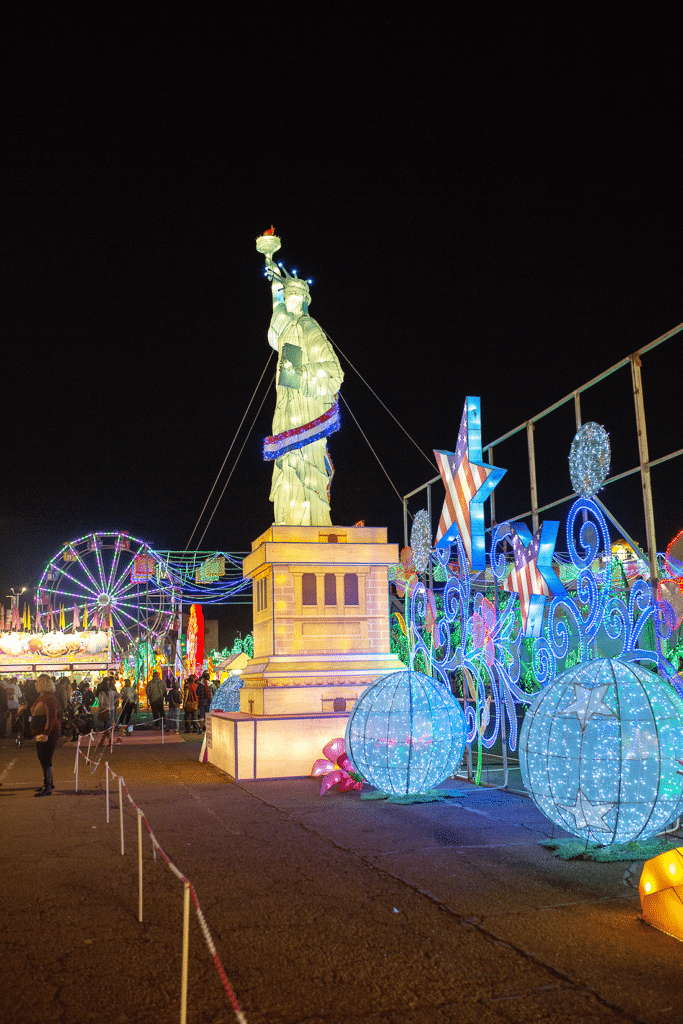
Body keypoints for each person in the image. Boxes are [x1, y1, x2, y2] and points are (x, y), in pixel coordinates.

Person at [259, 236, 344, 526]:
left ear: (305, 301)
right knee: (286, 470)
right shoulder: (288, 333)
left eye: (297, 297)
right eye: (289, 297)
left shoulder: (308, 327)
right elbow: (277, 312)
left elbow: (334, 373)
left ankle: (312, 524)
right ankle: (288, 522)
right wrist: (271, 267)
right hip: (286, 414)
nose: (291, 302)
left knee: (307, 470)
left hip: (307, 413)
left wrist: (299, 376)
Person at [22, 674, 60, 796]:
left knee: (45, 758)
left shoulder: (49, 698)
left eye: (38, 682)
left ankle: (47, 787)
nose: (35, 684)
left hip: (49, 732)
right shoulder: (42, 697)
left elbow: (52, 718)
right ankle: (49, 783)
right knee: (44, 758)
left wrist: (46, 733)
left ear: (44, 684)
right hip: (41, 732)